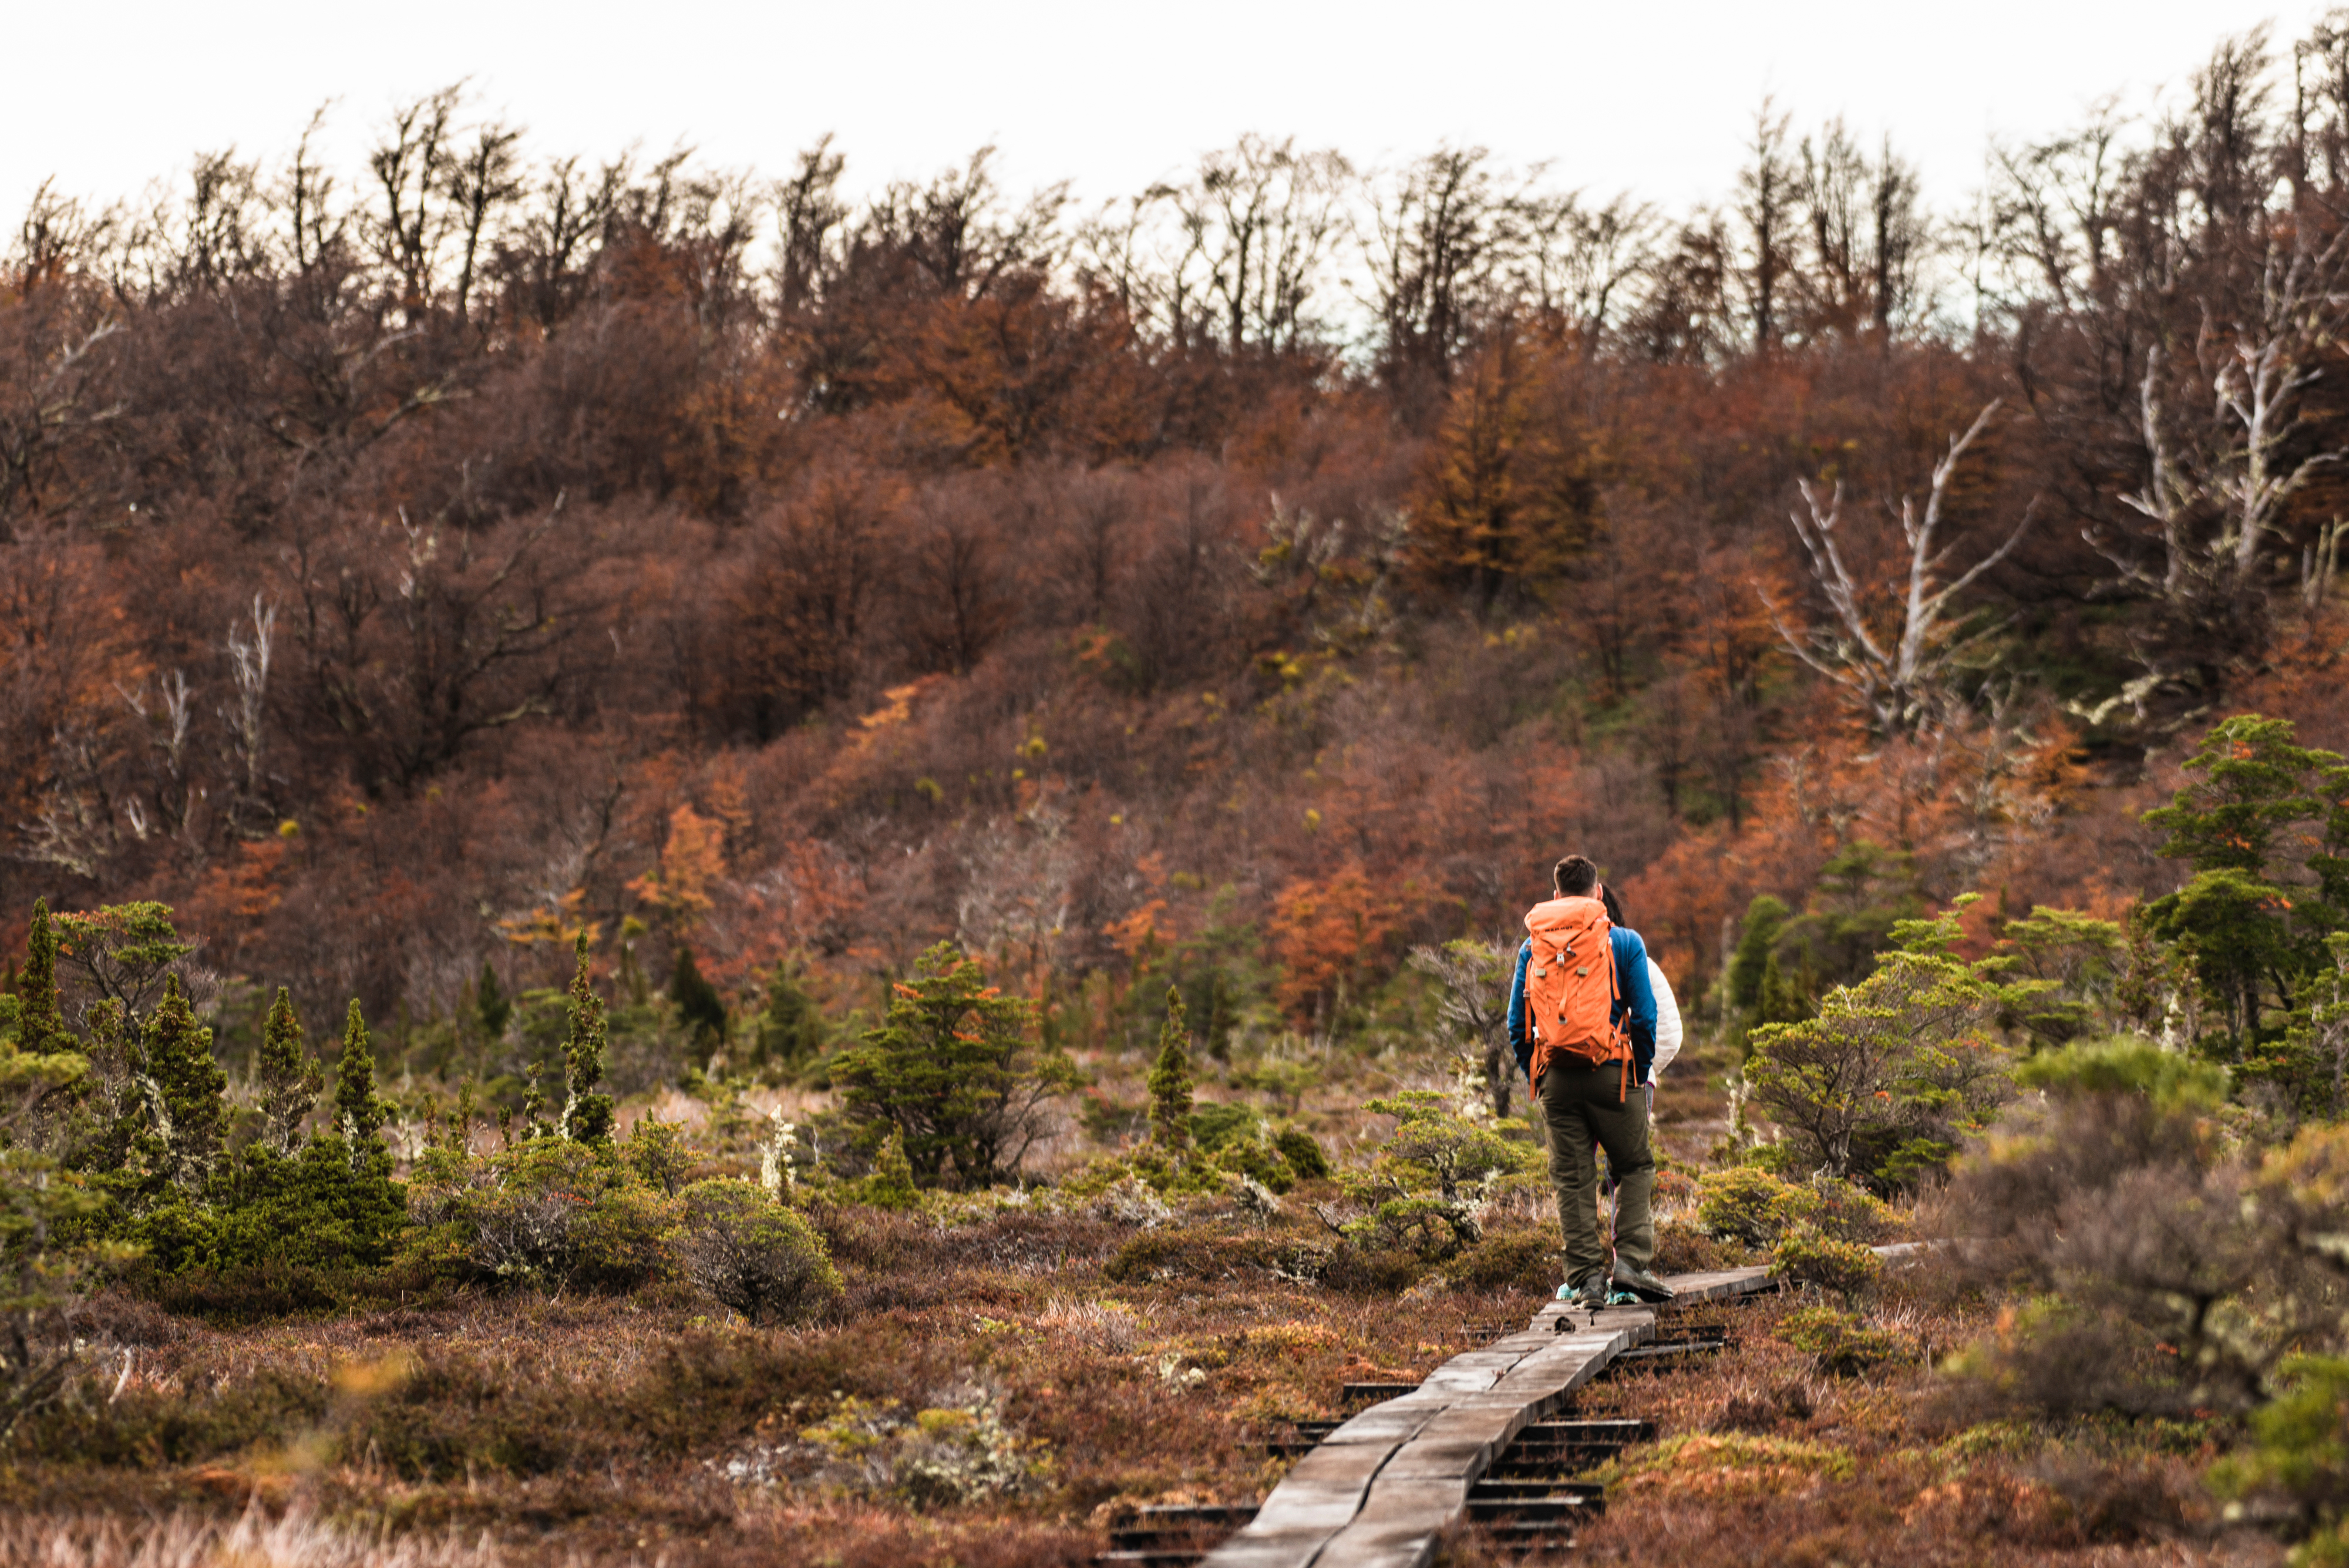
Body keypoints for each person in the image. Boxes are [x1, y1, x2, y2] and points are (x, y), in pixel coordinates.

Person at [1507, 855, 1674, 1310]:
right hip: (1614, 1075)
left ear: (1557, 896)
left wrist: (1538, 1075)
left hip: (1556, 1077)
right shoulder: (1625, 942)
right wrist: (1636, 1071)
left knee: (1572, 1178)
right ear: (1598, 894)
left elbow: (1515, 1026)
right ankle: (1631, 1265)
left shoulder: (1532, 947)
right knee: (1634, 1167)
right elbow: (1646, 1016)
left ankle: (1586, 1280)